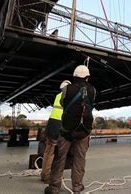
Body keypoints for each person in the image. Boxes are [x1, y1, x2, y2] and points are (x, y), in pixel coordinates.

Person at [45, 65, 96, 194]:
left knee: (59, 158)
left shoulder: (67, 89)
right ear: (87, 77)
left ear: (74, 76)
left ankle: (54, 188)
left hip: (67, 131)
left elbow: (63, 103)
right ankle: (77, 187)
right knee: (79, 159)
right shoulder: (93, 90)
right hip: (84, 131)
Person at [40, 80, 70, 183]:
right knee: (60, 153)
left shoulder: (58, 95)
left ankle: (44, 175)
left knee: (48, 152)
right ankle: (53, 177)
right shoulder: (67, 96)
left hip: (51, 124)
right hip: (59, 125)